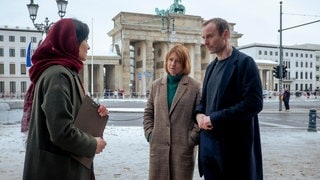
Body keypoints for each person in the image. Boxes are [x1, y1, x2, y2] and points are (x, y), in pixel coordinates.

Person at [21, 18, 109, 180]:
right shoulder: (58, 75)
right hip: (58, 170)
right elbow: (61, 131)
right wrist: (92, 144)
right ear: (71, 42)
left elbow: (70, 113)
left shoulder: (64, 72)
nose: (88, 46)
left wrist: (94, 113)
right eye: (85, 40)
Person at [194, 18, 264, 179]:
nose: (205, 42)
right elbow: (204, 102)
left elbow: (254, 104)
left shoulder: (245, 63)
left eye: (210, 36)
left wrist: (215, 118)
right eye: (203, 37)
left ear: (225, 34)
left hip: (234, 151)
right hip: (209, 151)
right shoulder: (211, 67)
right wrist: (198, 115)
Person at [143, 43, 201, 180]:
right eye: (170, 59)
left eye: (178, 61)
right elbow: (148, 113)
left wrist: (192, 138)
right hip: (158, 149)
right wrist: (150, 134)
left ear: (184, 64)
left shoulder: (194, 87)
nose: (173, 64)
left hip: (182, 150)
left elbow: (199, 115)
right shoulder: (156, 85)